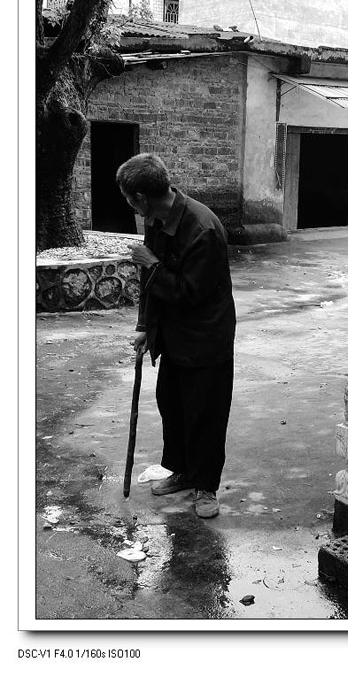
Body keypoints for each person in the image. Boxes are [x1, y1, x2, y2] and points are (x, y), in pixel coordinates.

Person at [116, 153, 236, 519]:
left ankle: (206, 487)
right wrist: (143, 327)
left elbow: (188, 293)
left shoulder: (203, 229)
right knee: (174, 405)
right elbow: (149, 285)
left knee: (205, 413)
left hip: (205, 337)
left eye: (126, 197)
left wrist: (151, 264)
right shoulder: (157, 219)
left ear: (140, 197)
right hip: (173, 336)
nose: (128, 204)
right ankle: (183, 471)